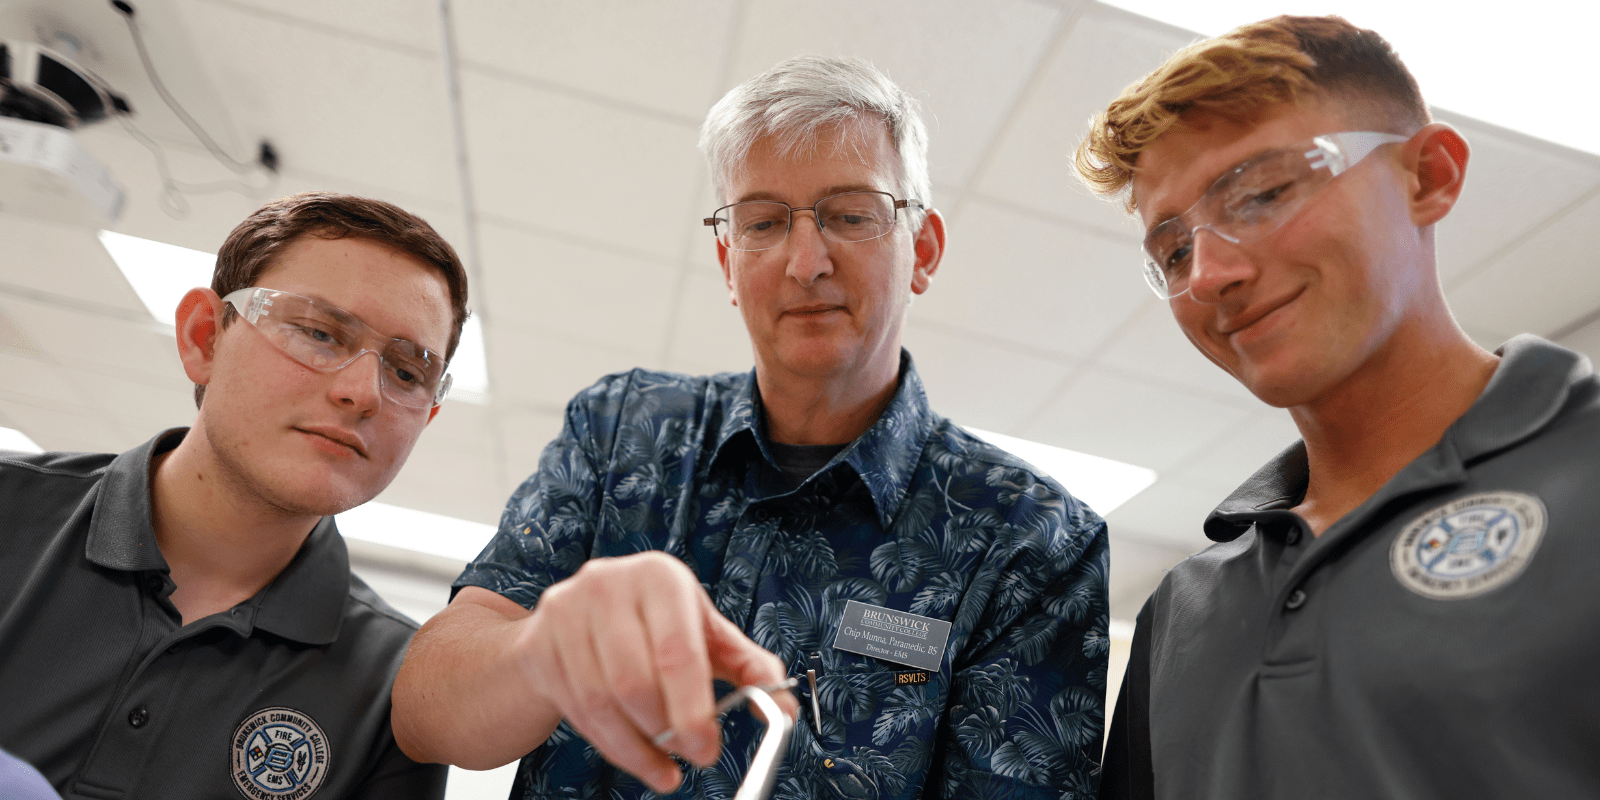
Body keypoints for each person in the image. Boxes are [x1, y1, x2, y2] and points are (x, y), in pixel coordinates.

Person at [393, 55, 1110, 800]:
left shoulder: (1033, 539)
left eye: (852, 214)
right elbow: (425, 716)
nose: (806, 262)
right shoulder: (620, 434)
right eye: (763, 222)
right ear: (728, 261)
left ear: (922, 250)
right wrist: (539, 652)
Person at [1073, 14, 1600, 800]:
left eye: (1261, 193)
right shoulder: (1183, 609)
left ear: (1427, 176)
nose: (1210, 273)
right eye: (1174, 251)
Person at [0, 192, 467, 799]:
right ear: (205, 338)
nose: (362, 391)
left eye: (406, 372)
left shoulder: (395, 689)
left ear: (425, 419)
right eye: (320, 333)